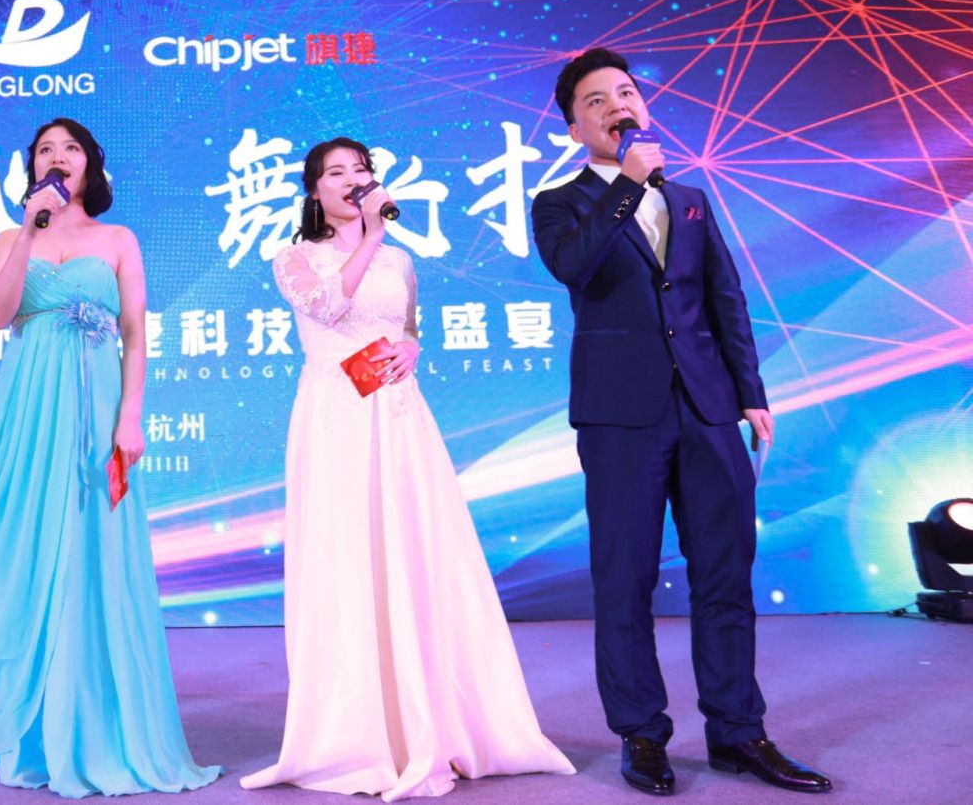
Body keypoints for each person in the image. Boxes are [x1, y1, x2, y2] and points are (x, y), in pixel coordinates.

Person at [530, 48, 831, 796]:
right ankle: (642, 734)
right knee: (624, 580)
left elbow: (725, 297)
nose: (617, 105)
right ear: (573, 128)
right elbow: (575, 268)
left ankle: (738, 731)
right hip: (619, 417)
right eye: (596, 100)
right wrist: (627, 187)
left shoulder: (691, 199)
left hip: (707, 407)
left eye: (626, 92)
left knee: (725, 575)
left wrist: (750, 392)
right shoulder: (561, 203)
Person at [242, 138, 573, 802]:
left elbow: (409, 325)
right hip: (337, 417)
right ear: (314, 191)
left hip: (397, 416)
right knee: (350, 557)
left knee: (418, 554)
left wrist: (413, 347)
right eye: (337, 173)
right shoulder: (293, 257)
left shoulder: (400, 260)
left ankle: (437, 720)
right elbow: (330, 308)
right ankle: (356, 734)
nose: (353, 180)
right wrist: (370, 234)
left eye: (361, 170)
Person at [0, 118, 220, 798]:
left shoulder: (117, 239)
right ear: (32, 167)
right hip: (26, 410)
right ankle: (32, 728)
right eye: (44, 151)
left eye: (70, 149)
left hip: (94, 407)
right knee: (25, 554)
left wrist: (130, 415)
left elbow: (135, 333)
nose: (57, 158)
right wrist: (29, 231)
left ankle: (97, 725)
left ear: (90, 165)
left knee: (92, 550)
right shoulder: (10, 237)